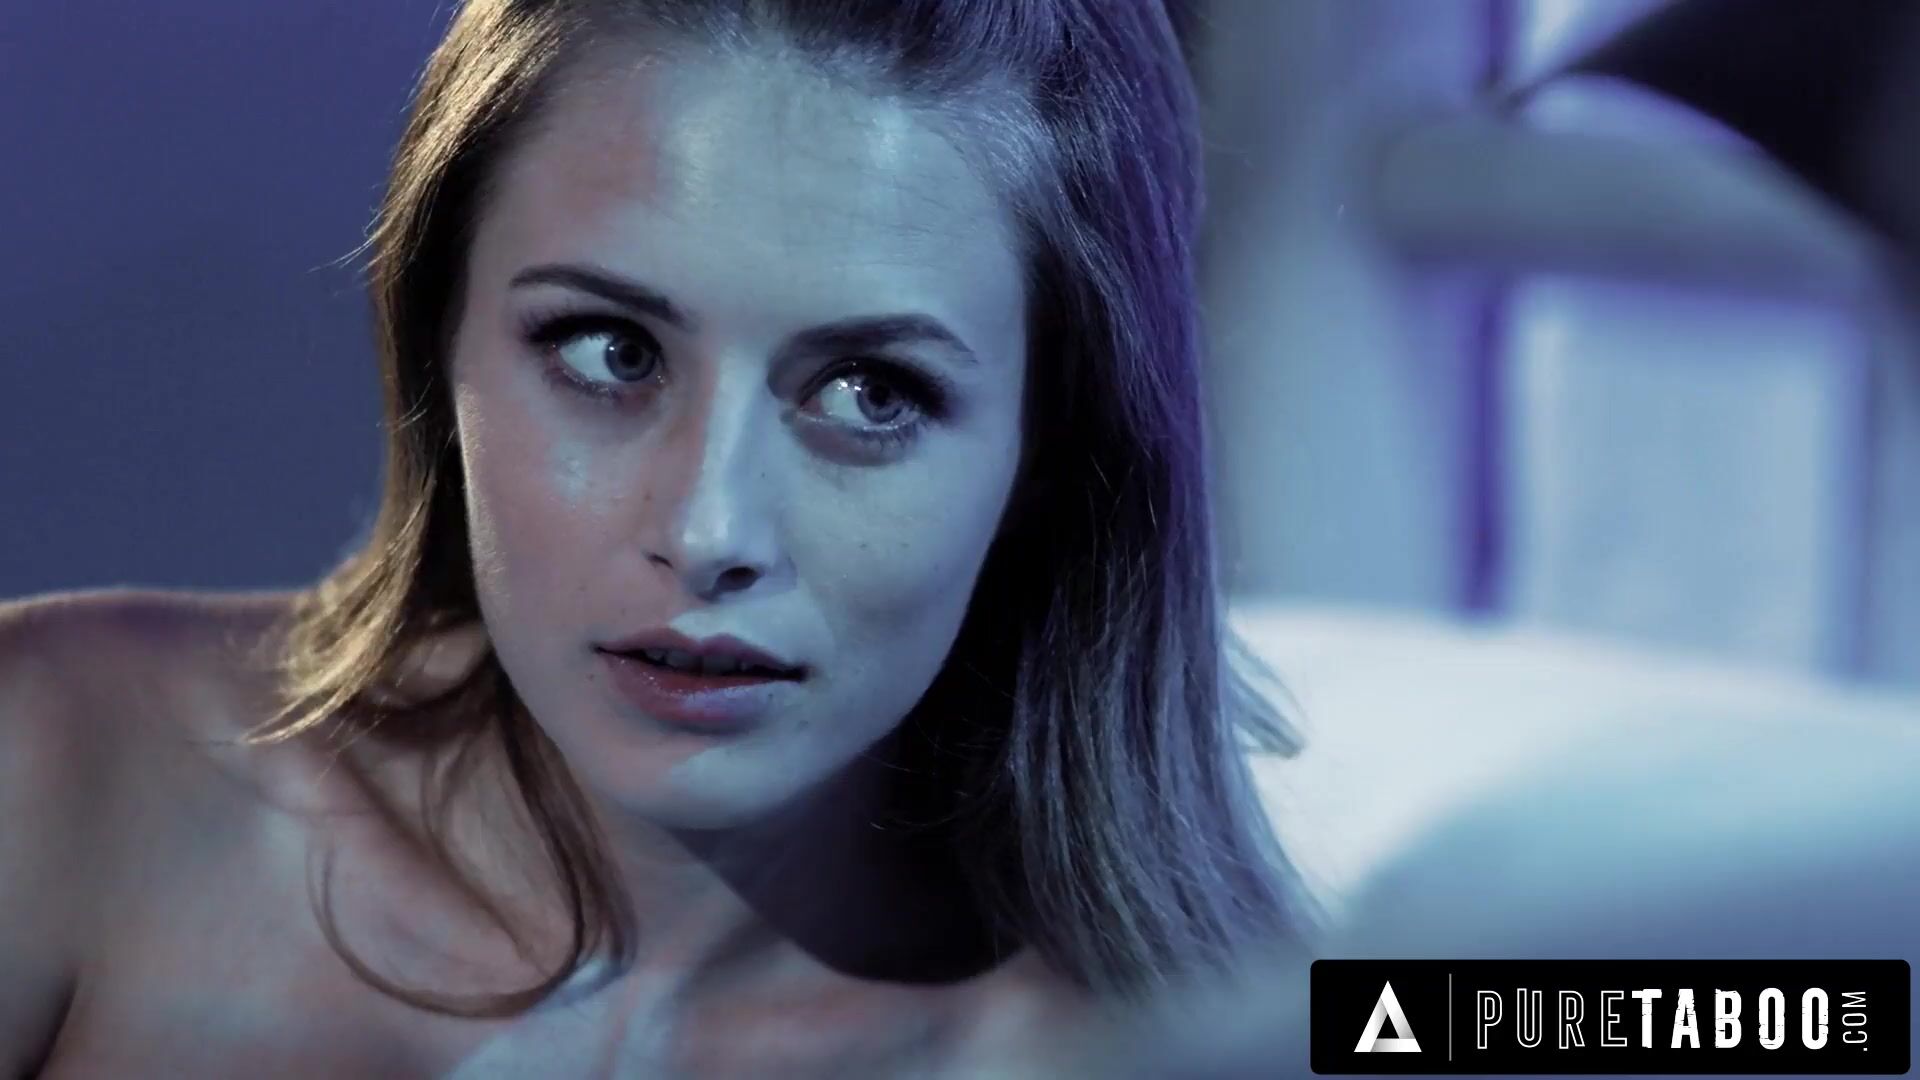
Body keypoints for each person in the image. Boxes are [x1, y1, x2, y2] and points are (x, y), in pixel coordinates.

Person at [0, 0, 1318, 1075]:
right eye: (609, 350)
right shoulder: (55, 770)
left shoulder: (1164, 1046)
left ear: (1052, 461)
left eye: (872, 394)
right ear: (440, 346)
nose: (706, 530)